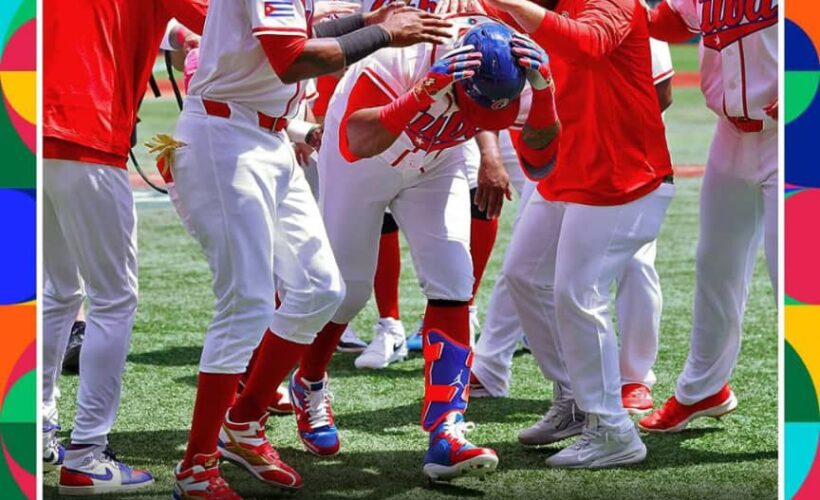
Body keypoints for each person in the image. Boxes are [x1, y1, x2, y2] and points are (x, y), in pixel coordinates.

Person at [163, 0, 453, 497]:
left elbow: (293, 37)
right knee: (246, 305)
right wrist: (383, 34)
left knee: (321, 290)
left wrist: (366, 23)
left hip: (268, 137)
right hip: (225, 138)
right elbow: (292, 59)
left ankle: (245, 421)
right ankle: (197, 465)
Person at [289, 15, 558, 480]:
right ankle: (308, 380)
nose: (483, 121)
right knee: (346, 291)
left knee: (455, 279)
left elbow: (539, 161)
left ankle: (446, 430)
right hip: (368, 157)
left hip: (438, 160)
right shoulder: (398, 61)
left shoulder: (519, 70)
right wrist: (419, 96)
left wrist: (546, 96)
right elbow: (357, 142)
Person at [480, 0, 674, 468]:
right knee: (525, 277)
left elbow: (587, 44)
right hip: (570, 171)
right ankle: (574, 397)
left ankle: (612, 429)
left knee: (577, 293)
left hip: (622, 176)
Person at [42, 0, 207, 495]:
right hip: (87, 131)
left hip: (20, 127)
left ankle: (33, 430)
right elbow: (236, 18)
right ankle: (87, 453)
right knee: (112, 298)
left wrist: (176, 40)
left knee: (55, 291)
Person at [639, 0, 778, 433]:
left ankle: (807, 422)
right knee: (715, 265)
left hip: (800, 133)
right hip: (731, 136)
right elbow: (670, 20)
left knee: (796, 282)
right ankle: (703, 388)